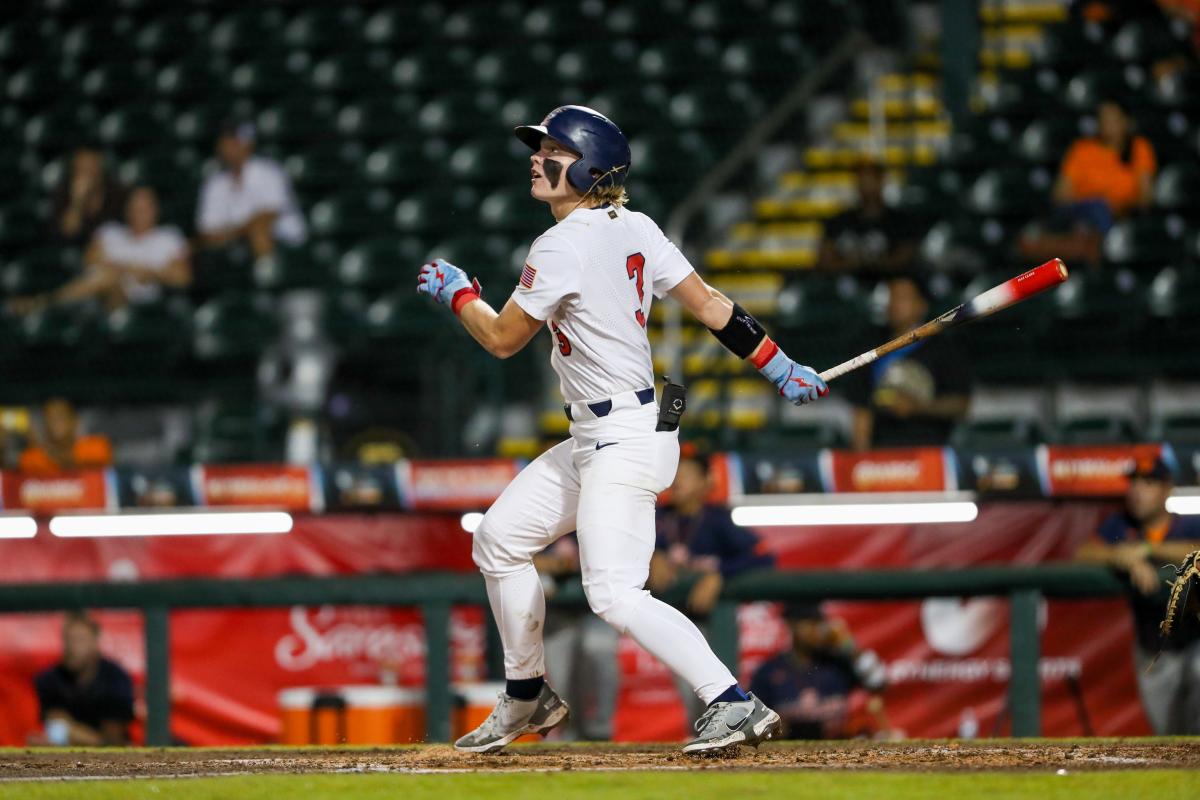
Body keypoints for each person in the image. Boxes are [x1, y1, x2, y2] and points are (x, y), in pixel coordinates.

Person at [417, 105, 828, 755]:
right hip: (603, 434)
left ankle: (732, 701)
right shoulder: (636, 226)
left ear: (587, 165)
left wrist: (462, 296)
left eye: (551, 150)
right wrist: (777, 364)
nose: (536, 157)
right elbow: (711, 305)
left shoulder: (560, 244)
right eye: (538, 148)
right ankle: (527, 696)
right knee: (498, 540)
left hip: (624, 439)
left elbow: (500, 340)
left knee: (612, 592)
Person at [1076, 456, 1200, 734]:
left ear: (1166, 489)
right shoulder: (1120, 526)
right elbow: (1083, 553)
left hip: (1195, 641)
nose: (1137, 490)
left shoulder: (1189, 524)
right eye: (1134, 482)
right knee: (1169, 737)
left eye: (1148, 482)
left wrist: (1146, 550)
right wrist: (1121, 556)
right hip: (1154, 649)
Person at [651, 447, 775, 723]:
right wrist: (650, 555)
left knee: (716, 691)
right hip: (669, 618)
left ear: (707, 481)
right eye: (676, 473)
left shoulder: (716, 519)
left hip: (712, 622)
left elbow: (763, 555)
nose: (679, 480)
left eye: (688, 474)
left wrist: (720, 573)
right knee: (690, 694)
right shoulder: (657, 516)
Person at [9, 186, 190, 314]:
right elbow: (88, 261)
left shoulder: (169, 237)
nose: (140, 212)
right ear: (126, 210)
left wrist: (150, 273)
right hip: (98, 298)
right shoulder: (110, 232)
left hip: (144, 305)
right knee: (108, 277)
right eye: (135, 207)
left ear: (156, 210)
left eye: (145, 207)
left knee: (110, 276)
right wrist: (123, 269)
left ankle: (43, 304)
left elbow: (183, 278)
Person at [1021, 98, 1156, 268]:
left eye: (1112, 119)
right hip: (1081, 214)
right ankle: (1098, 255)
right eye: (1103, 118)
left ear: (1126, 122)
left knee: (1102, 215)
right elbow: (1061, 194)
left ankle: (1095, 253)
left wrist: (1122, 207)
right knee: (1095, 210)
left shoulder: (1139, 148)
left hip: (1121, 216)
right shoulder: (1082, 149)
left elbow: (1146, 197)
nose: (1106, 124)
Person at [846, 275, 970, 450]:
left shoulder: (943, 347)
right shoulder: (870, 346)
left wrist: (918, 407)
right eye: (892, 297)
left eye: (903, 298)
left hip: (930, 449)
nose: (895, 305)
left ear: (922, 305)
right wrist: (862, 458)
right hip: (882, 450)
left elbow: (960, 404)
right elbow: (861, 410)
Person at [750, 603, 893, 739]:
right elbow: (752, 723)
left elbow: (878, 684)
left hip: (838, 753)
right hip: (786, 756)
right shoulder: (769, 672)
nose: (816, 630)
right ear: (792, 625)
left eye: (819, 623)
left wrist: (849, 646)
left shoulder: (836, 665)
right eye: (810, 623)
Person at [195, 120, 306, 259]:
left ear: (248, 145)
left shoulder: (268, 171)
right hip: (235, 242)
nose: (228, 148)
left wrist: (232, 234)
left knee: (259, 232)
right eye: (226, 142)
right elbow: (206, 230)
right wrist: (228, 236)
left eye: (235, 142)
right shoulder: (214, 183)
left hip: (286, 241)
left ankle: (269, 276)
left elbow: (267, 217)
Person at [31, 612, 135, 746]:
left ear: (95, 643)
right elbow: (54, 728)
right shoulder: (50, 679)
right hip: (65, 757)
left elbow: (112, 741)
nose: (72, 647)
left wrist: (71, 731)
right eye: (68, 640)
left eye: (79, 640)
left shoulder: (116, 678)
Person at [817, 160, 921, 277]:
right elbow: (824, 261)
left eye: (870, 180)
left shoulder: (901, 220)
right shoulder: (839, 220)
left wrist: (871, 261)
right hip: (845, 285)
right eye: (861, 181)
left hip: (889, 284)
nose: (866, 186)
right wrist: (851, 263)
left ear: (882, 181)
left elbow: (905, 260)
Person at [51, 146, 125, 248]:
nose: (88, 175)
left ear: (100, 169)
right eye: (82, 169)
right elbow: (68, 234)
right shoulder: (63, 194)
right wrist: (77, 201)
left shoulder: (117, 194)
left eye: (91, 168)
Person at [19, 398, 113, 475]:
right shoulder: (32, 457)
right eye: (50, 418)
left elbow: (100, 463)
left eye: (61, 416)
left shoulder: (96, 446)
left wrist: (53, 453)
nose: (55, 422)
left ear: (74, 421)